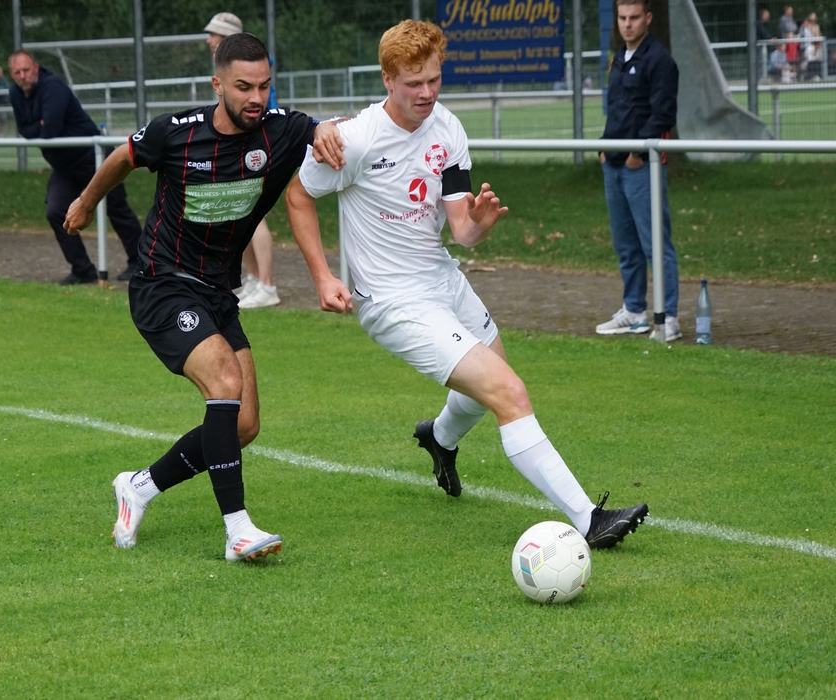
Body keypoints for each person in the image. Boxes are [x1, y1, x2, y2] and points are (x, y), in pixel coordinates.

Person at [284, 20, 648, 550]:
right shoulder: (356, 139)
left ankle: (439, 438)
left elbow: (461, 231)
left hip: (443, 279)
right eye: (414, 83)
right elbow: (297, 197)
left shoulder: (448, 128)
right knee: (508, 391)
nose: (427, 93)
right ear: (388, 79)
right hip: (391, 300)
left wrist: (479, 223)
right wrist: (322, 276)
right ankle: (589, 520)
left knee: (485, 386)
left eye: (434, 79)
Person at [61, 33, 345, 560]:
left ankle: (139, 487)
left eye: (264, 86)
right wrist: (85, 202)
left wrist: (329, 126)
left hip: (217, 292)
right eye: (243, 87)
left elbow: (341, 129)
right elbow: (122, 158)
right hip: (162, 283)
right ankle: (238, 530)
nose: (256, 98)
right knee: (226, 382)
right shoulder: (176, 132)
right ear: (218, 84)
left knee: (244, 425)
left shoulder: (282, 130)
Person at [8, 50, 142, 285]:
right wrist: (39, 126)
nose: (23, 76)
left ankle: (141, 263)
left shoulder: (52, 87)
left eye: (26, 70)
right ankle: (83, 270)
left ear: (35, 68)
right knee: (56, 210)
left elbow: (50, 130)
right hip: (64, 167)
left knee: (116, 209)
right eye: (17, 72)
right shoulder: (14, 93)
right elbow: (24, 130)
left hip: (93, 158)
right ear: (11, 74)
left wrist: (39, 127)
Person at [595, 0, 681, 342]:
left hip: (641, 166)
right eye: (622, 18)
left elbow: (663, 115)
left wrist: (637, 153)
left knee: (655, 243)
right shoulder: (619, 58)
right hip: (613, 165)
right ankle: (634, 311)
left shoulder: (660, 60)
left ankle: (669, 316)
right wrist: (604, 148)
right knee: (625, 245)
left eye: (633, 18)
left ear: (647, 18)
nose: (627, 24)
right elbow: (617, 110)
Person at [206, 11, 281, 309]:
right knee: (240, 211)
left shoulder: (252, 66)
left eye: (214, 34)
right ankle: (253, 279)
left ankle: (267, 285)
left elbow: (264, 111)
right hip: (241, 143)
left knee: (254, 213)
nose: (209, 39)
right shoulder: (226, 67)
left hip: (257, 144)